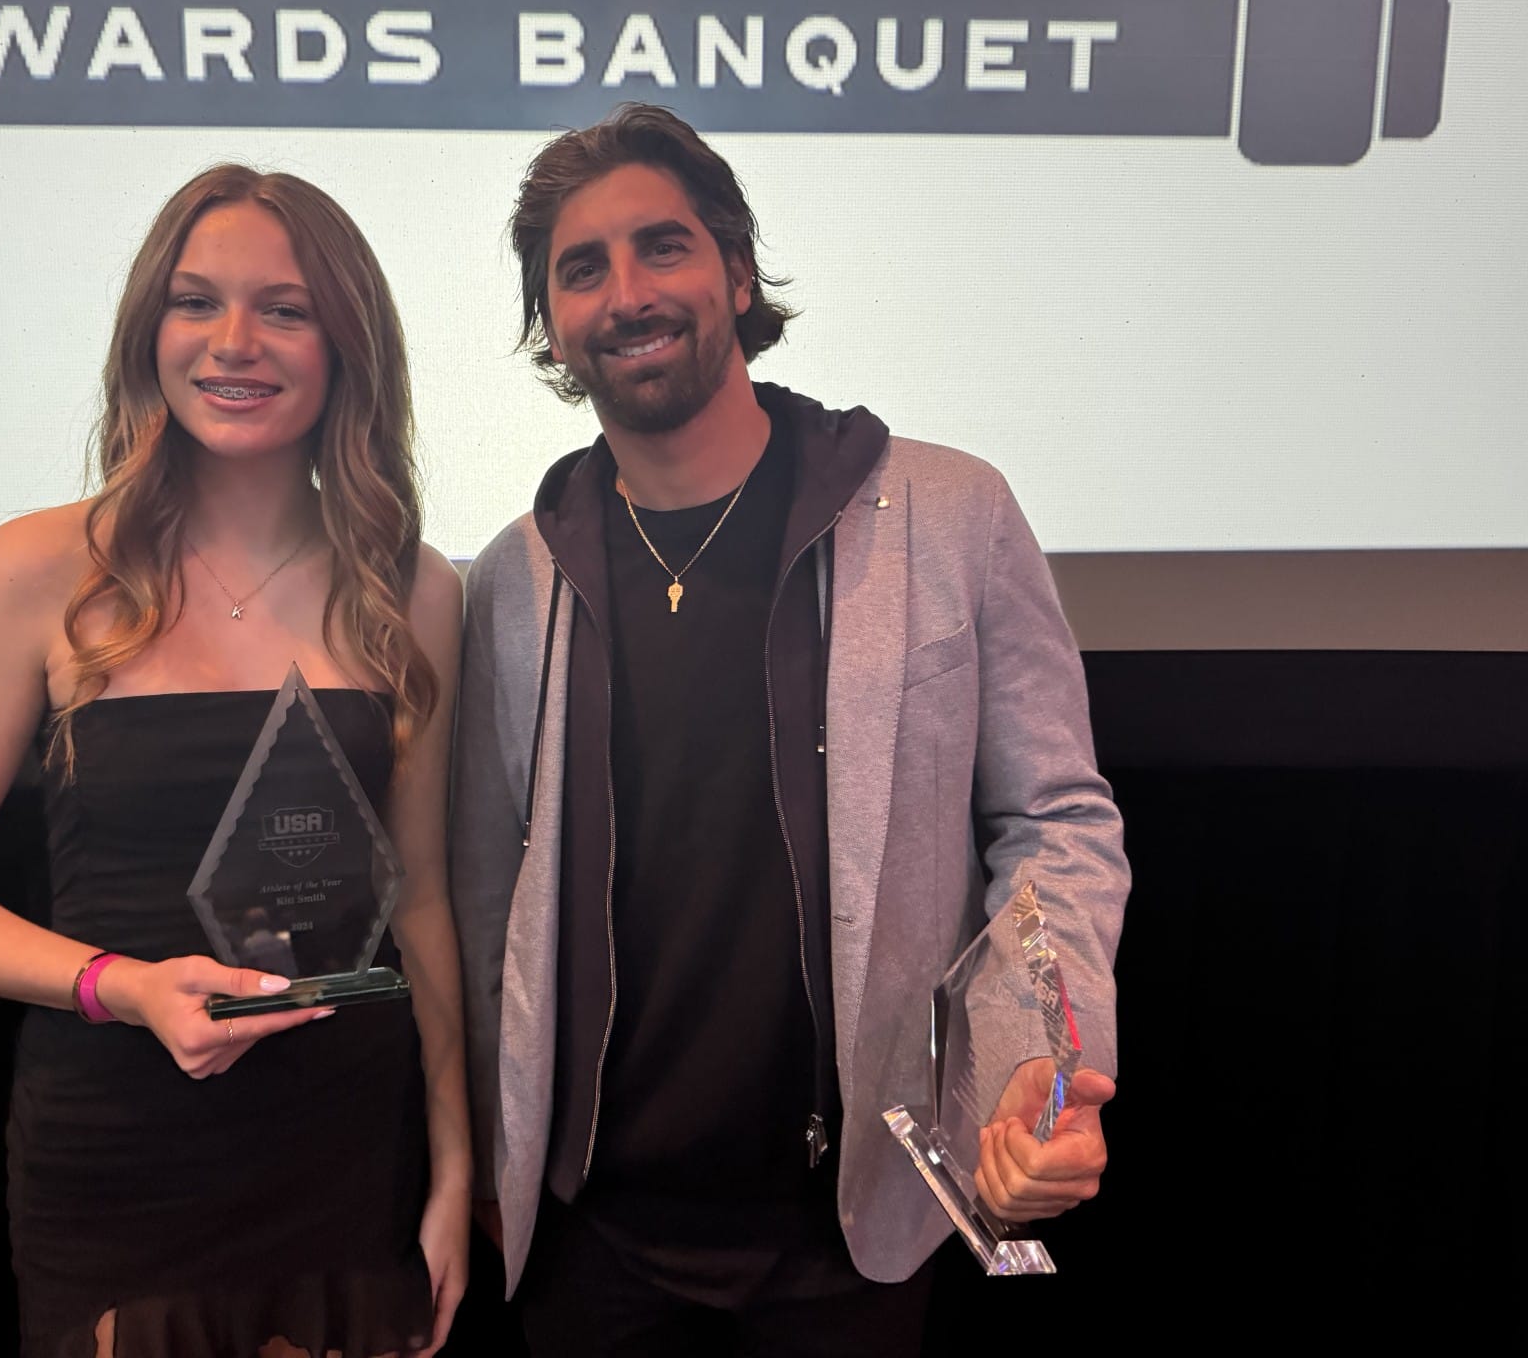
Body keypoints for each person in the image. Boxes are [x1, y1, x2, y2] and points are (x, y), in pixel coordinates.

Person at [450, 103, 1131, 1354]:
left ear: (738, 271)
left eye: (664, 247)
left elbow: (1055, 824)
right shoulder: (512, 580)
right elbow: (491, 910)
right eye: (580, 269)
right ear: (552, 323)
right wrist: (488, 1173)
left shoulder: (947, 511)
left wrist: (1040, 1052)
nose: (627, 293)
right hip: (591, 1243)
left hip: (851, 1231)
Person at [0, 164, 469, 1358]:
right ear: (150, 333)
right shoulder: (37, 570)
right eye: (196, 303)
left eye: (284, 309)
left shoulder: (415, 587)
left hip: (346, 1153)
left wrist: (455, 1168)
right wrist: (125, 988)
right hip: (123, 1157)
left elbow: (427, 905)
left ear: (347, 343)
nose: (234, 342)